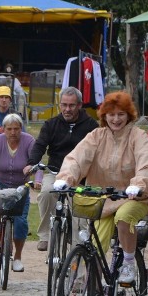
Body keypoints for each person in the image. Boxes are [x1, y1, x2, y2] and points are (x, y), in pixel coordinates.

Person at [53, 91, 148, 284]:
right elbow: (77, 158)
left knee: (124, 217)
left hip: (133, 197)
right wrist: (66, 178)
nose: (116, 119)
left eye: (120, 114)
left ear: (129, 115)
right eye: (111, 114)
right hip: (104, 201)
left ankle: (128, 263)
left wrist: (138, 185)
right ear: (104, 116)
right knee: (95, 243)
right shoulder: (96, 136)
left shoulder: (138, 137)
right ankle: (93, 288)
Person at [23, 86, 98, 251]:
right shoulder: (51, 124)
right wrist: (31, 163)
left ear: (79, 105)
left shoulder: (91, 125)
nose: (67, 109)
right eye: (64, 105)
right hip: (56, 172)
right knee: (45, 193)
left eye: (71, 105)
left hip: (81, 176)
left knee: (80, 209)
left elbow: (99, 150)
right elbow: (40, 145)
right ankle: (45, 236)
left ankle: (78, 246)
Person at [0, 113, 37, 272]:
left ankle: (17, 257)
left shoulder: (29, 141)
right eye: (9, 129)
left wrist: (37, 181)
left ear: (21, 128)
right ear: (3, 129)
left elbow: (36, 163)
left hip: (21, 184)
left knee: (20, 221)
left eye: (16, 129)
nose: (13, 132)